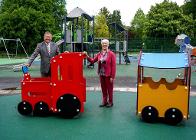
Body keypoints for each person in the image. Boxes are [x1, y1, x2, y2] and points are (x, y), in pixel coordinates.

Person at [86, 39, 116, 108]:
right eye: (103, 43)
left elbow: (113, 66)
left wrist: (112, 77)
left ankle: (110, 102)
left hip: (108, 75)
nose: (104, 45)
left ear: (108, 45)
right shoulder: (99, 54)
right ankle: (104, 101)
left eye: (106, 43)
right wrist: (87, 56)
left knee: (109, 89)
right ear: (101, 44)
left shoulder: (111, 54)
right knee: (103, 88)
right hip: (101, 74)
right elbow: (93, 61)